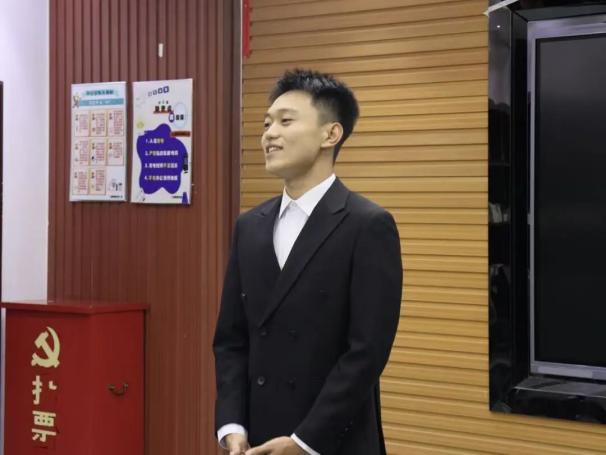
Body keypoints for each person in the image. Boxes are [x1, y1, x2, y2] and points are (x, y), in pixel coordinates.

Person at [213, 69, 403, 455]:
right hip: (257, 440)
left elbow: (366, 353)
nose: (269, 134)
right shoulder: (249, 225)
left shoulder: (367, 224)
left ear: (330, 134)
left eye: (285, 121)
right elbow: (231, 339)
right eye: (266, 123)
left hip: (332, 441)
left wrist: (304, 442)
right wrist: (231, 424)